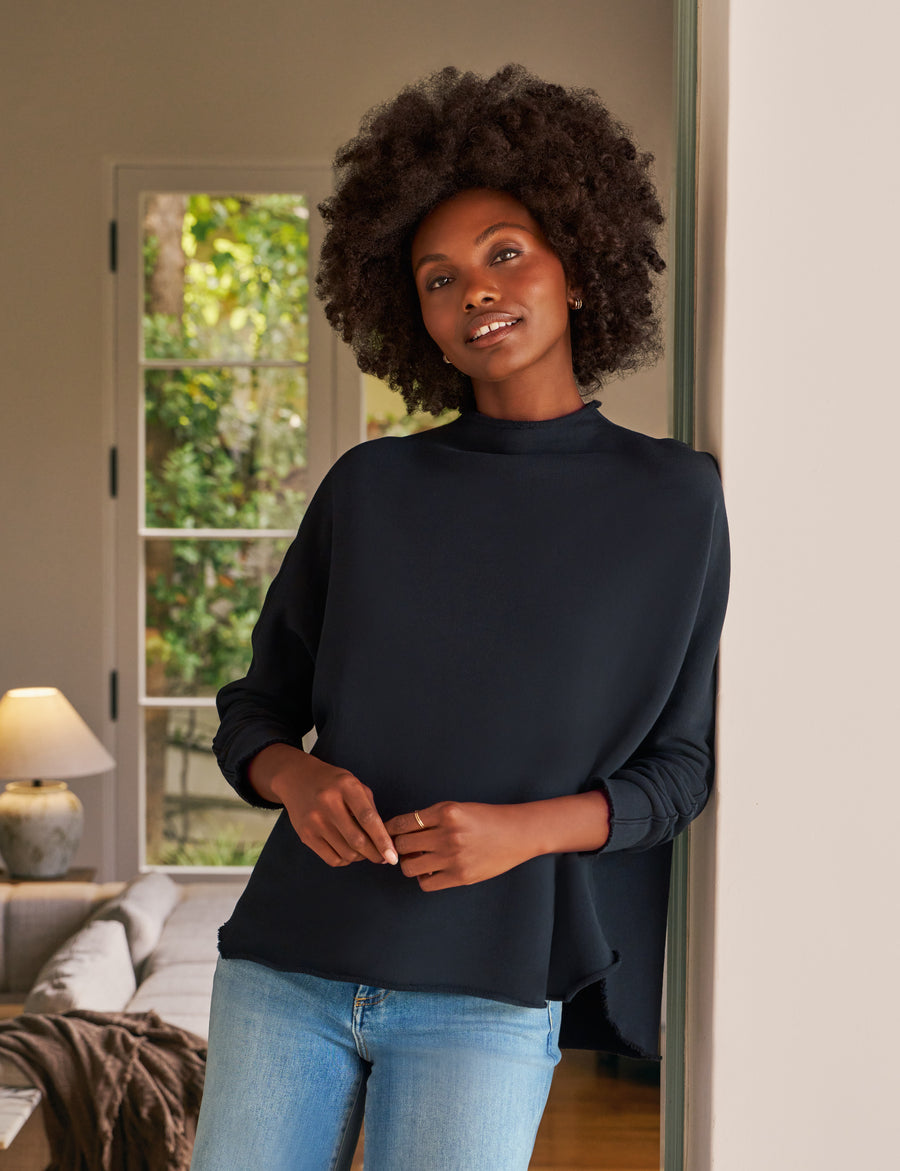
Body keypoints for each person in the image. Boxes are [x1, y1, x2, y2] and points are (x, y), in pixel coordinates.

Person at [190, 64, 730, 1171]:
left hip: (487, 990)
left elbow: (680, 769)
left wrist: (525, 829)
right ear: (418, 323)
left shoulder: (675, 501)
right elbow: (254, 710)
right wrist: (297, 778)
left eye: (503, 254)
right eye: (438, 278)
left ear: (579, 268)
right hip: (286, 966)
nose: (474, 290)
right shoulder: (370, 488)